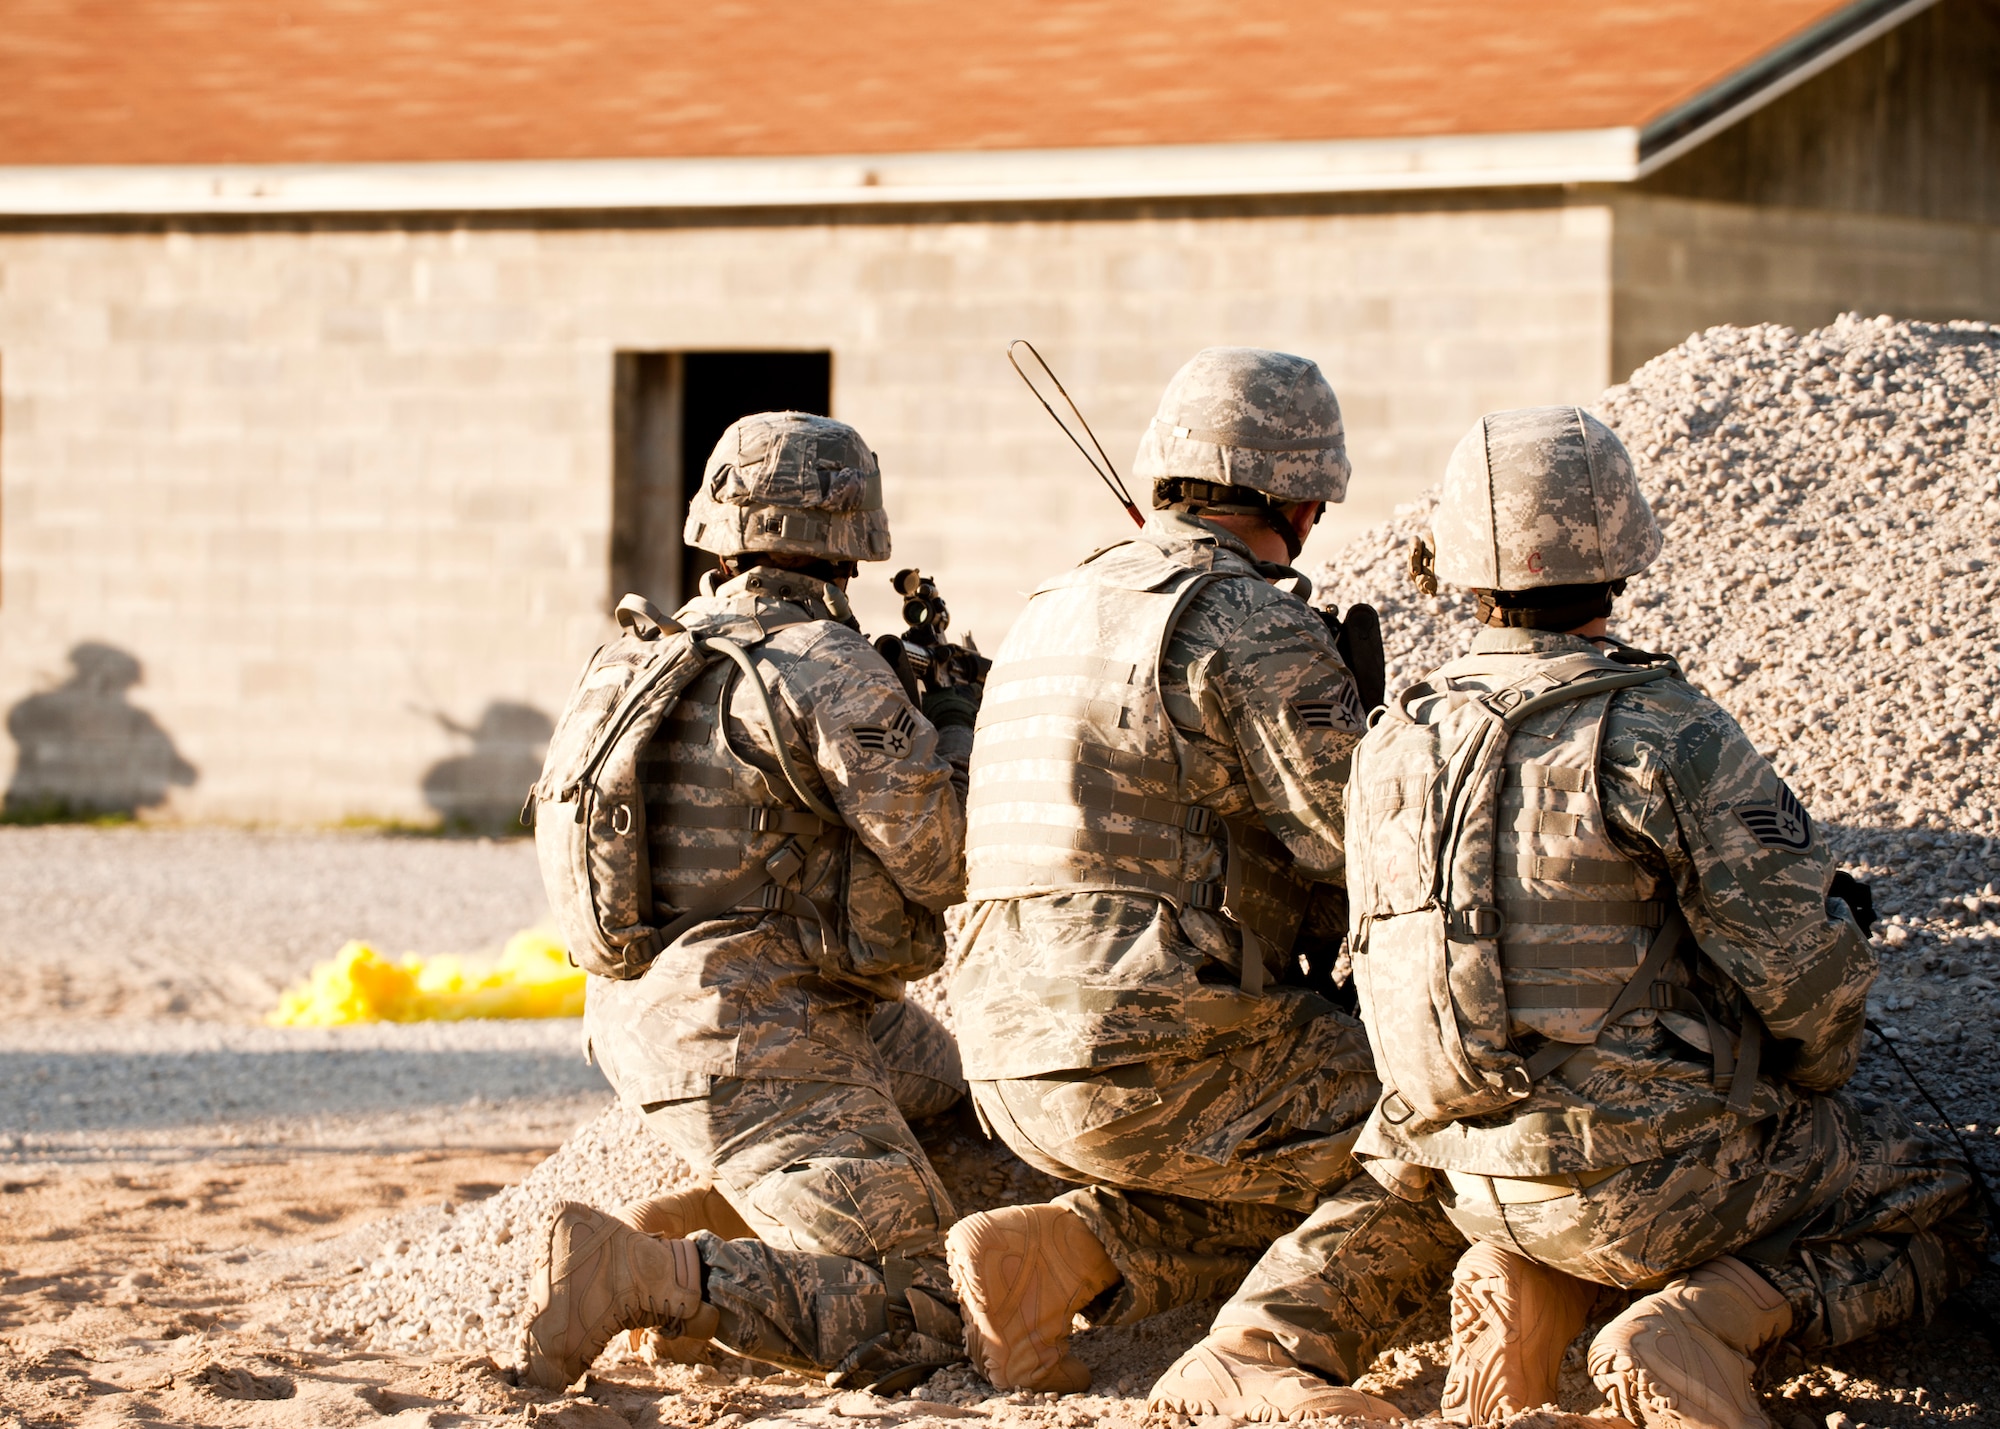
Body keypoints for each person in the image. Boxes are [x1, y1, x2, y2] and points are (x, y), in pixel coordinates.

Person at [1344, 405, 1986, 1428]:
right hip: (1644, 1182)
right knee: (1934, 1198)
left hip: (1468, 1178)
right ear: (1619, 549)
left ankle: (1529, 1292)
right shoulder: (1658, 728)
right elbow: (1804, 980)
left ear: (1453, 561)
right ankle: (1688, 1329)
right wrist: (1812, 1081)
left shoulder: (1394, 736)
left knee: (1604, 1191)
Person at [944, 348, 1460, 1421]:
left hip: (1002, 1059)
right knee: (1460, 1125)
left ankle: (1063, 1255)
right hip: (1146, 1050)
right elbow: (1359, 855)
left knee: (1282, 1151)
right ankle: (1265, 1357)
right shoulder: (1250, 623)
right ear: (1304, 496)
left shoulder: (1047, 605)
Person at [523, 412, 978, 1392]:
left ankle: (713, 1230)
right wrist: (953, 740)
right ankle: (650, 1275)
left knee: (961, 1117)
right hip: (754, 1033)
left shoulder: (632, 655)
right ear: (850, 530)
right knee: (935, 1305)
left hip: (653, 1009)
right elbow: (945, 865)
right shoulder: (823, 663)